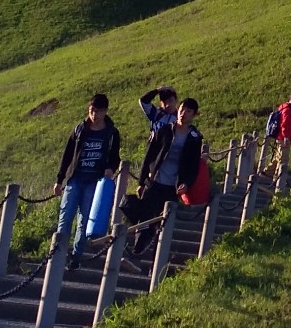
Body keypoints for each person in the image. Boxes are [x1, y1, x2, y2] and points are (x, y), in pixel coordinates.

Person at [126, 96, 205, 256]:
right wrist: (142, 181)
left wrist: (187, 184)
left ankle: (155, 259)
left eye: (188, 111)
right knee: (145, 218)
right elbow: (150, 155)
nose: (183, 113)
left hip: (173, 187)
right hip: (155, 181)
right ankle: (137, 252)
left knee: (163, 223)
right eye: (182, 109)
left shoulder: (195, 138)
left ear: (194, 115)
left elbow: (193, 165)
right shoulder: (165, 130)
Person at [53, 94, 121, 252]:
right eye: (92, 110)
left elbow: (115, 156)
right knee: (65, 217)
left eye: (98, 111)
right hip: (75, 179)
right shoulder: (80, 129)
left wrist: (111, 168)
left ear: (105, 112)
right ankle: (58, 254)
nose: (94, 115)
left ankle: (76, 255)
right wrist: (59, 179)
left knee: (84, 221)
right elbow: (68, 154)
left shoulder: (112, 133)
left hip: (94, 182)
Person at [265, 91, 291, 177]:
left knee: (278, 156)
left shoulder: (283, 108)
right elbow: (284, 125)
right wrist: (286, 137)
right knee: (283, 159)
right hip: (283, 137)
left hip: (280, 136)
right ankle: (278, 177)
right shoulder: (288, 110)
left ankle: (268, 172)